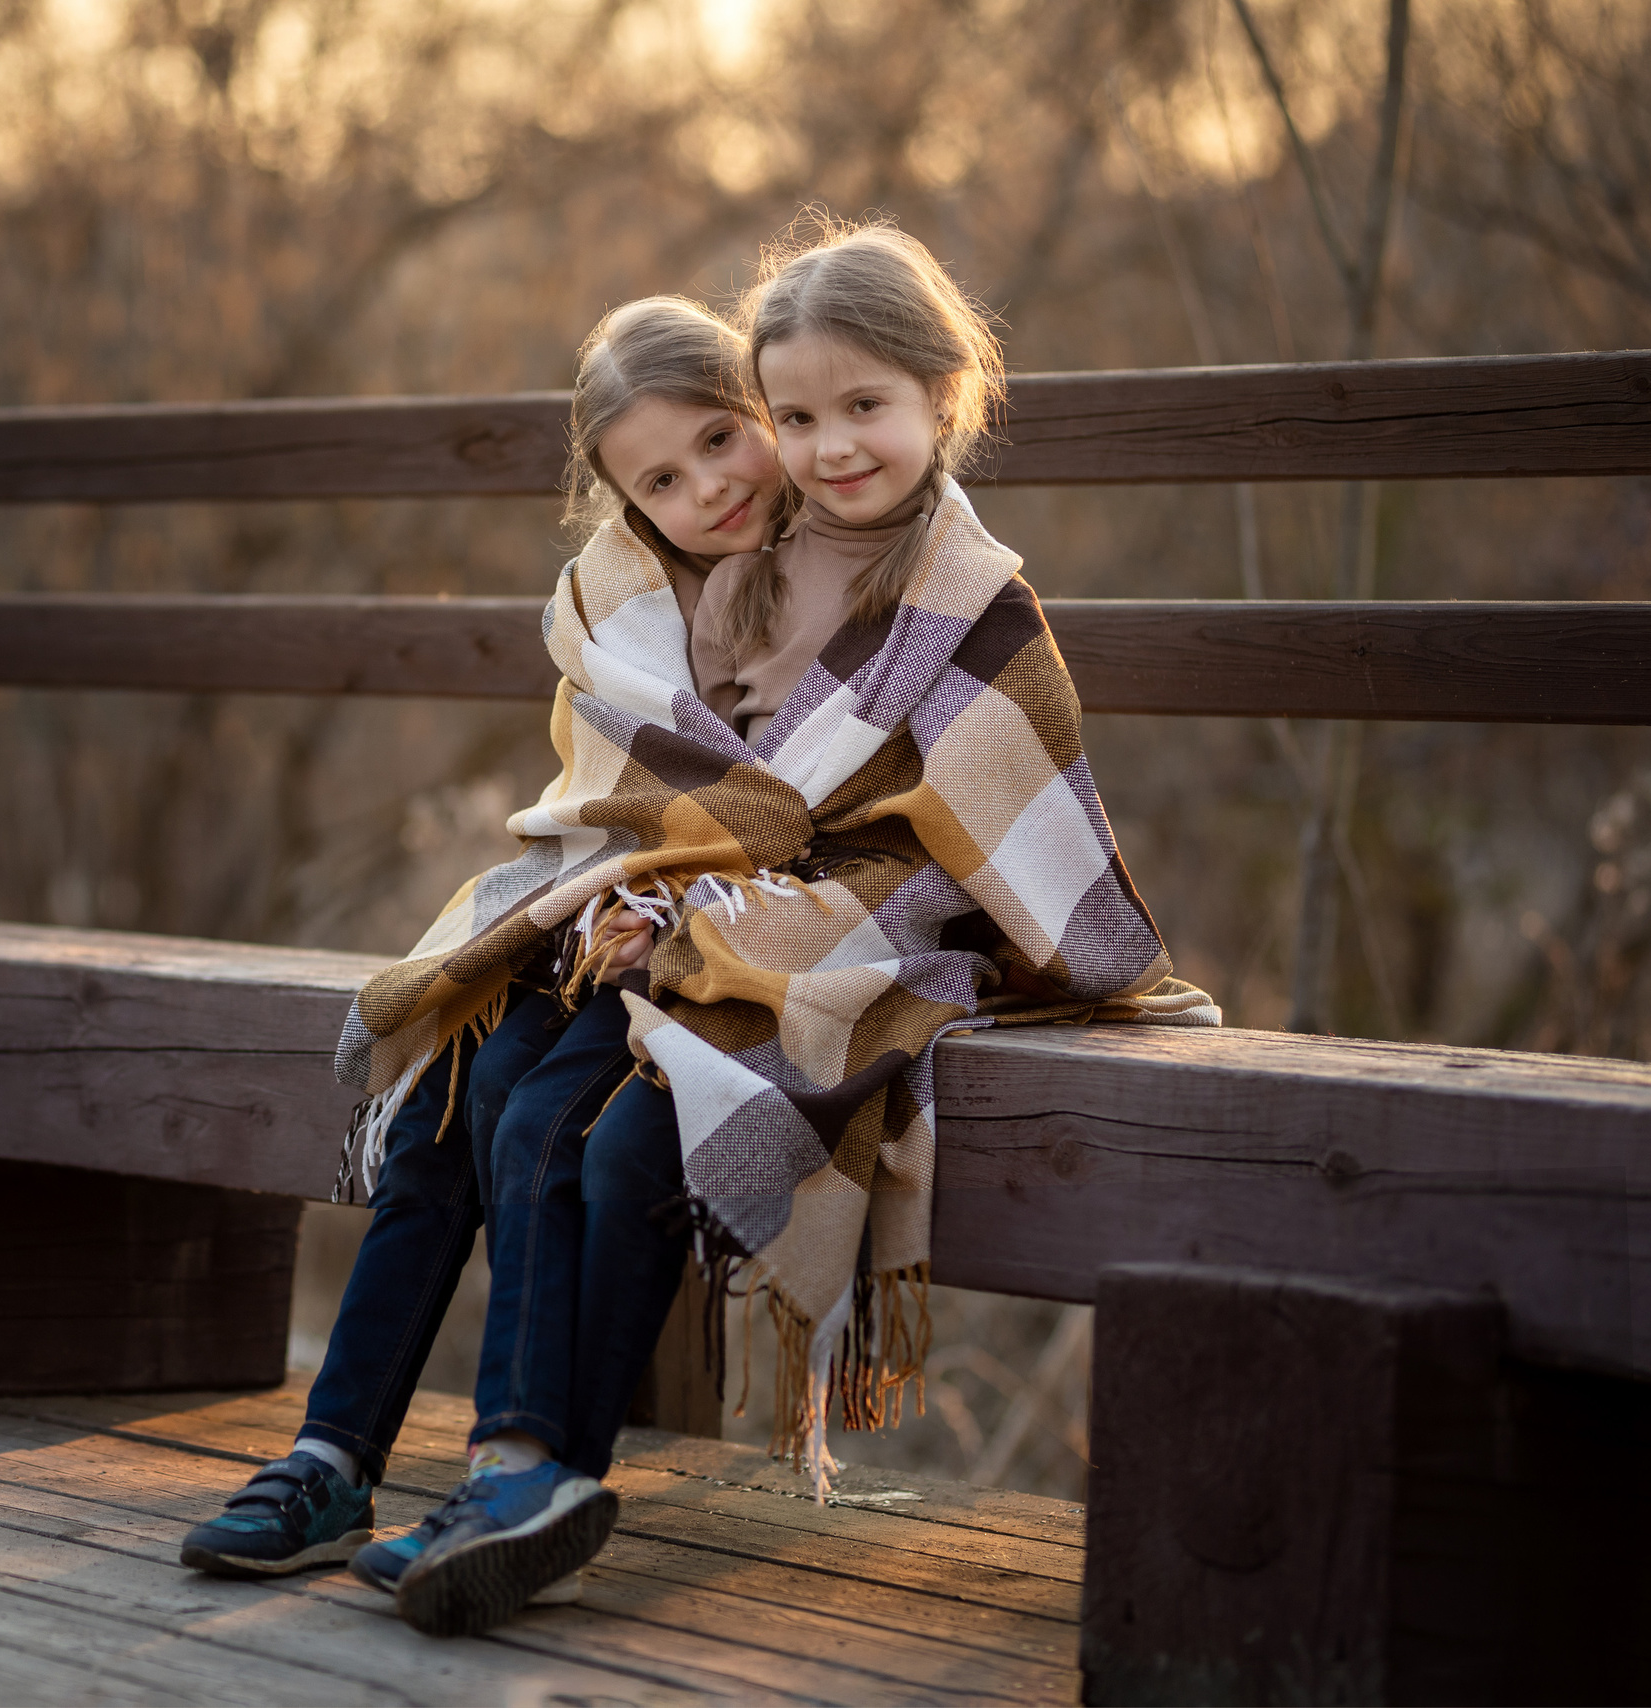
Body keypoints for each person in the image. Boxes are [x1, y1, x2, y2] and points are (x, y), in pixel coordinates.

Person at [376, 215, 1220, 1637]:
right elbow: (713, 776)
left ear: (944, 394)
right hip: (717, 929)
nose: (834, 448)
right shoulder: (767, 563)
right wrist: (684, 893)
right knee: (534, 1117)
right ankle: (526, 1473)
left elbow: (1000, 812)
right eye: (802, 416)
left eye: (867, 408)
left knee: (648, 1134)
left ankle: (546, 1476)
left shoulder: (969, 598)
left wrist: (775, 910)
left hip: (881, 937)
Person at [177, 298, 782, 1610]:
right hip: (596, 900)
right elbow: (611, 785)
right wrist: (604, 890)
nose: (707, 488)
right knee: (440, 1110)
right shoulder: (611, 597)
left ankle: (516, 1467)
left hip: (735, 923)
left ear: (761, 404)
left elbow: (796, 792)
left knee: (530, 1107)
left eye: (721, 439)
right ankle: (334, 1457)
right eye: (661, 479)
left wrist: (664, 890)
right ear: (621, 500)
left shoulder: (819, 565)